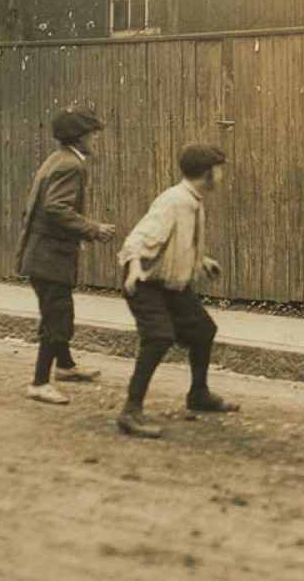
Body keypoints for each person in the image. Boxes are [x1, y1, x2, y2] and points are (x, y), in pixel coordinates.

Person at [116, 144, 236, 438]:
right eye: (219, 169)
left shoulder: (192, 200)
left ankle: (198, 394)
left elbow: (176, 241)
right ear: (208, 173)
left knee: (203, 330)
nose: (221, 175)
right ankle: (130, 410)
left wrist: (199, 261)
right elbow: (138, 239)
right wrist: (133, 270)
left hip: (170, 284)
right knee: (158, 337)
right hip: (145, 281)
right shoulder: (174, 201)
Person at [15, 106, 118, 405]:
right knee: (57, 317)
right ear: (80, 136)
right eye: (92, 134)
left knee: (56, 311)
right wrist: (92, 228)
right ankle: (39, 382)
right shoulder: (71, 165)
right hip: (50, 256)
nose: (95, 139)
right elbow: (56, 208)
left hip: (42, 252)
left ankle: (66, 366)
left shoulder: (57, 159)